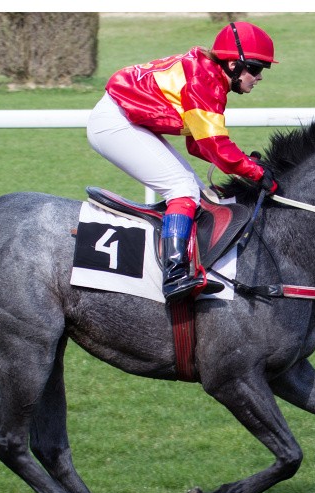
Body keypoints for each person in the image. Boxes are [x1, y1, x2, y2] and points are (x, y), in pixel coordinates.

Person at [87, 21, 279, 302]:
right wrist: (251, 170)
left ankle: (188, 263)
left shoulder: (211, 77)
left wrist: (243, 165)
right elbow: (214, 145)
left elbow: (198, 144)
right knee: (182, 189)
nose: (259, 76)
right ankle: (174, 275)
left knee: (196, 192)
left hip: (126, 119)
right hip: (115, 123)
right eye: (255, 68)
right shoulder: (205, 81)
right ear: (233, 65)